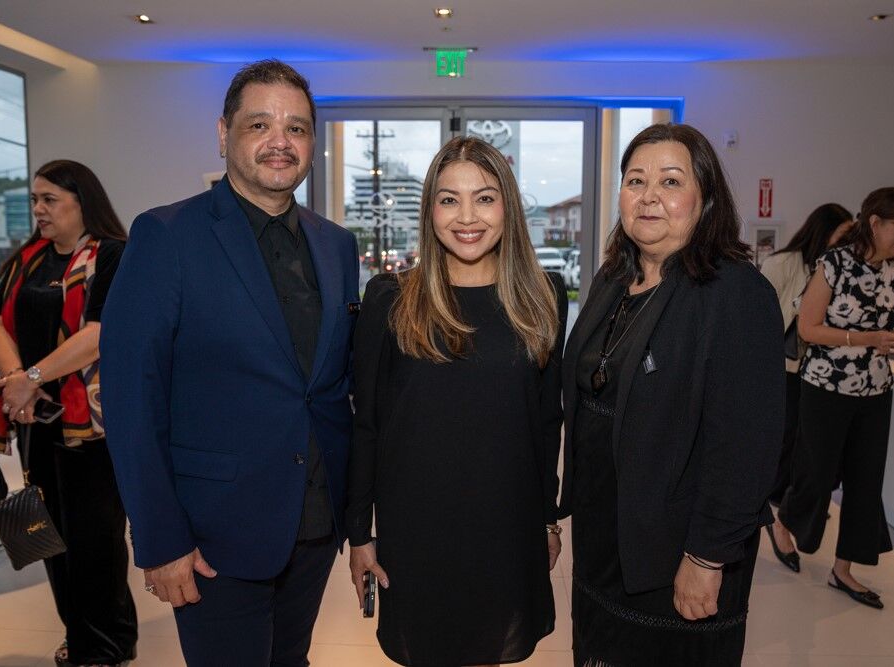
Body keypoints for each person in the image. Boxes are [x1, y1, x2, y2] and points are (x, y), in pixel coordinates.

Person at [99, 60, 360, 665]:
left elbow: (332, 384)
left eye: (296, 128)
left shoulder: (336, 244)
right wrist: (160, 539)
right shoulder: (166, 235)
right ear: (224, 134)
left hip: (315, 520)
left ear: (312, 143)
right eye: (259, 124)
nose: (280, 141)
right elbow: (133, 400)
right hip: (212, 534)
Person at [559, 123, 783, 667]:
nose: (649, 195)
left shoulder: (734, 293)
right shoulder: (613, 279)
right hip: (606, 538)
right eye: (636, 180)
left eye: (671, 181)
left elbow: (746, 444)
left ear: (705, 198)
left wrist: (707, 557)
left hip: (677, 546)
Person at [346, 136, 566, 667]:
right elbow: (366, 424)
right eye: (449, 199)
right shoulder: (390, 298)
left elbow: (546, 421)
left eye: (484, 198)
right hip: (416, 527)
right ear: (430, 211)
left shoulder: (542, 296)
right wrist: (359, 534)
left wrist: (547, 520)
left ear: (508, 207)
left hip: (507, 523)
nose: (467, 217)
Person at [0, 159, 137, 667]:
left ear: (81, 202)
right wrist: (16, 383)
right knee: (52, 537)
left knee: (96, 539)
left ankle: (107, 645)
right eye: (35, 199)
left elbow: (99, 334)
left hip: (94, 426)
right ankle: (79, 633)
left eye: (49, 199)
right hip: (36, 420)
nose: (39, 209)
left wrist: (29, 379)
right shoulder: (27, 260)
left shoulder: (112, 255)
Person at [778, 187, 894, 609]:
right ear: (875, 223)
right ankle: (784, 520)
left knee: (866, 480)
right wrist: (867, 338)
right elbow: (808, 329)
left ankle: (843, 569)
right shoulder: (833, 265)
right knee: (817, 474)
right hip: (825, 387)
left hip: (876, 391)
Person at [760, 203, 853, 572]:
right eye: (842, 234)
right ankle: (778, 510)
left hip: (821, 371)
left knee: (811, 447)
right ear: (823, 231)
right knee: (786, 440)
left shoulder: (838, 268)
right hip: (783, 367)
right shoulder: (784, 263)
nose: (846, 241)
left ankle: (792, 507)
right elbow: (761, 316)